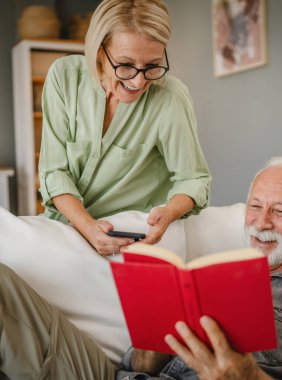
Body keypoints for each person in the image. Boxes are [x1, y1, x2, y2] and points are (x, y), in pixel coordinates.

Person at [1, 156, 282, 379]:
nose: (260, 223)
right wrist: (150, 345)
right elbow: (143, 363)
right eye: (254, 206)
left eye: (280, 211)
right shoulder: (219, 273)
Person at [38, 0, 211, 256]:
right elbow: (54, 171)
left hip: (132, 237)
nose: (139, 81)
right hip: (65, 227)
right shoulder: (64, 77)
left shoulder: (170, 96)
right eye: (126, 65)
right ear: (98, 51)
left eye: (152, 65)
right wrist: (88, 227)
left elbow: (193, 178)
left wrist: (170, 210)